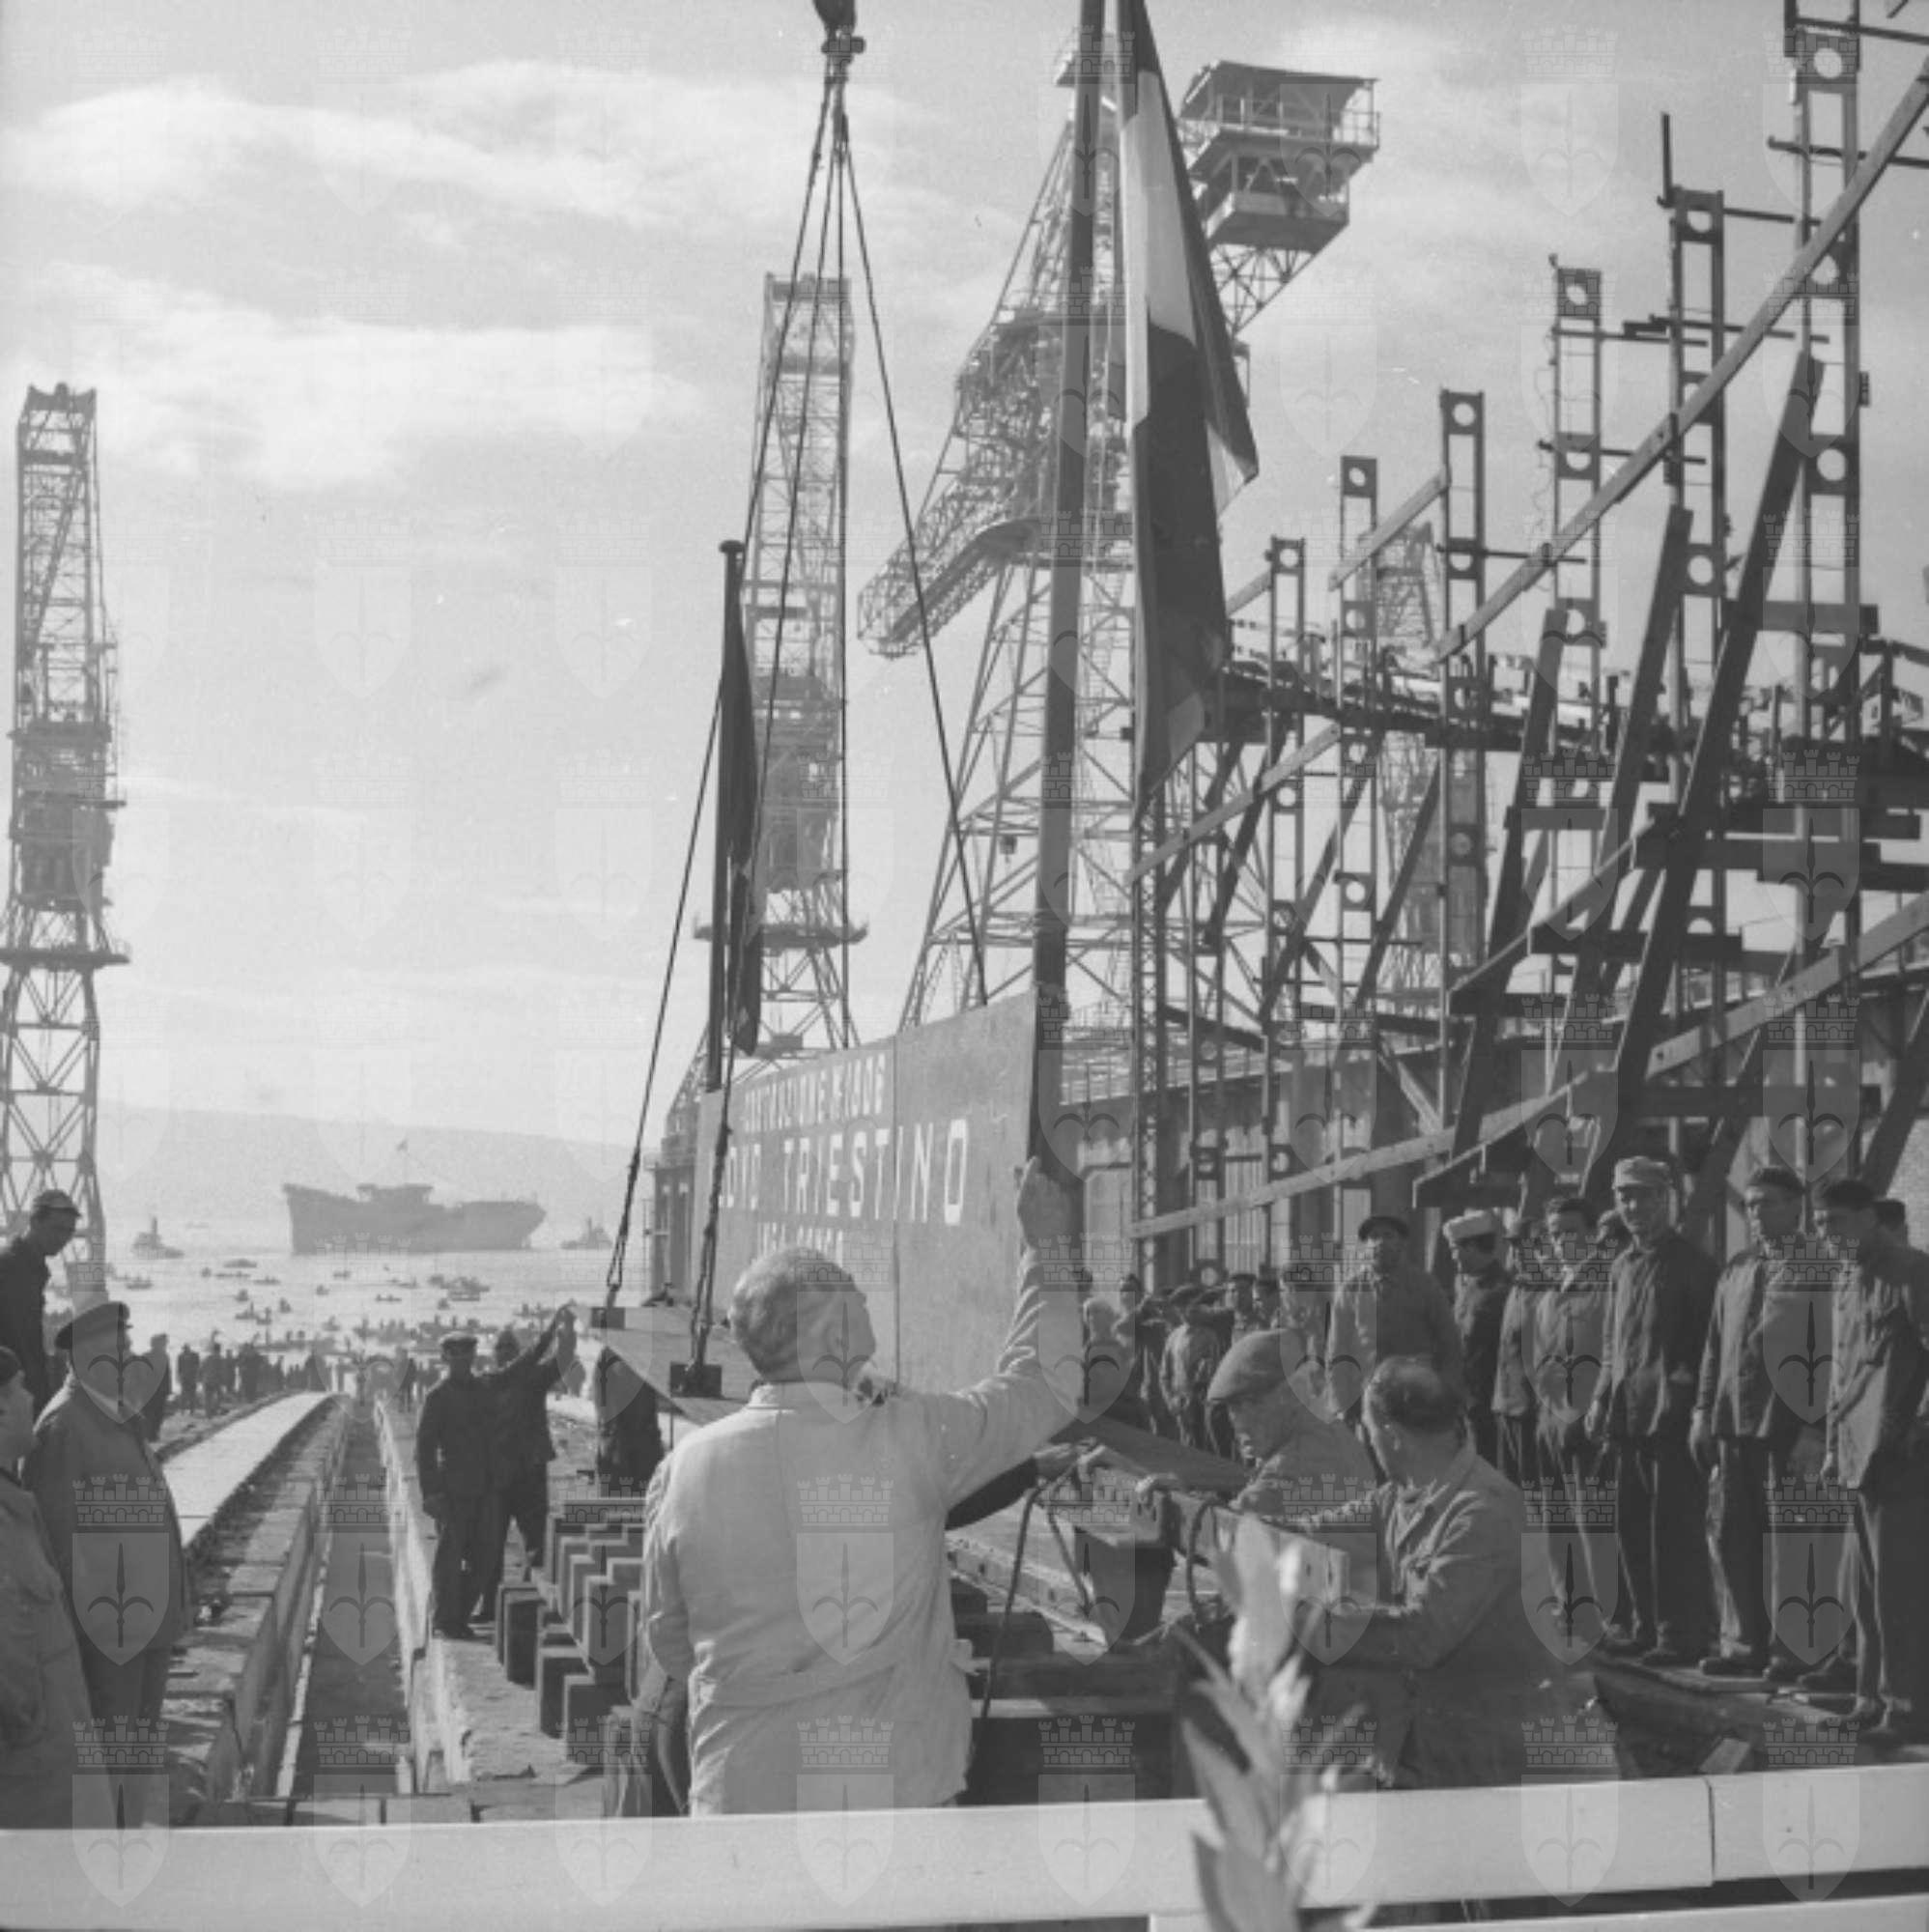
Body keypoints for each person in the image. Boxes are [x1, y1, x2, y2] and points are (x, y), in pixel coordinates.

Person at [638, 1157, 1083, 1815]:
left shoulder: (682, 1469)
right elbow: (1046, 1383)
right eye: (853, 1293)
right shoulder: (909, 1436)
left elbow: (669, 1640)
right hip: (891, 1789)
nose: (867, 1300)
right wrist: (1046, 1249)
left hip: (740, 1788)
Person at [1278, 1356, 1583, 1788]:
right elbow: (1312, 1532)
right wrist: (1224, 1523)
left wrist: (1304, 1622)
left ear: (1393, 1436)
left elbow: (1421, 1635)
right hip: (1432, 1738)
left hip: (1493, 1761)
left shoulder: (1483, 1512)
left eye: (1367, 1430)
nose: (1365, 1441)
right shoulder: (1405, 1494)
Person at [27, 1293, 190, 1726]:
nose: (129, 1360)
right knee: (112, 1750)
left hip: (147, 1620)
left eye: (127, 1348)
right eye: (118, 1351)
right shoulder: (65, 1427)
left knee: (140, 1751)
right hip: (109, 1634)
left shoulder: (115, 1415)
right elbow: (56, 1543)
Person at [1690, 1165, 1828, 1682]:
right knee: (1733, 1536)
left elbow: (1831, 1351)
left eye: (1767, 1202)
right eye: (1749, 1204)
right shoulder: (1737, 1269)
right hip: (1733, 1423)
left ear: (1796, 1207)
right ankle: (1743, 1644)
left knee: (1792, 1540)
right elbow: (1713, 1347)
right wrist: (1702, 1412)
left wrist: (1815, 1429)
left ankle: (1793, 1652)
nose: (1756, 1213)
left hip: (1787, 1425)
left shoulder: (1819, 1267)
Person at [1585, 1156, 1718, 1667]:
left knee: (1674, 1530)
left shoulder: (1693, 1264)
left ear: (1667, 1199)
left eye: (1644, 1195)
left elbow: (1709, 1343)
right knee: (1632, 1525)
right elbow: (1612, 1343)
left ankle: (1681, 1634)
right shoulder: (1622, 1267)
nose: (1634, 1206)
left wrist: (1696, 1405)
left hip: (1672, 1418)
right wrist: (1601, 1397)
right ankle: (1644, 1626)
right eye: (1625, 1196)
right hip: (1628, 1415)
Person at [1820, 1176, 1929, 1752]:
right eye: (1821, 1225)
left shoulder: (1912, 1271)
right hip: (1858, 1456)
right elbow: (1843, 1374)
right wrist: (1833, 1447)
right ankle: (1869, 1700)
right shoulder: (1847, 1279)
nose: (1828, 1234)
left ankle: (1907, 1706)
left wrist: (1920, 1427)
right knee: (1864, 1591)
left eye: (1837, 1222)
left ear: (1868, 1218)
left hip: (1902, 1460)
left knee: (1900, 1591)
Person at [0, 1344, 93, 1830]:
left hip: (51, 1764)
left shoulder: (13, 1502)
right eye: (20, 1389)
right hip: (30, 1779)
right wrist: (30, 1731)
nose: (32, 1397)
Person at [1527, 1195, 1613, 1613]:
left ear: (1593, 1235)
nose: (1563, 1242)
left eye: (1572, 1232)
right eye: (1556, 1234)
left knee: (1591, 1520)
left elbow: (1612, 1352)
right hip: (1551, 1419)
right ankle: (1570, 1603)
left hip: (1588, 1420)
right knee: (1555, 1516)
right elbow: (1539, 1357)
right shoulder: (1550, 1295)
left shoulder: (1606, 1286)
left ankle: (1604, 1610)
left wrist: (1594, 1405)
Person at [1323, 1214, 1462, 1436]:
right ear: (1365, 1246)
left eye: (1388, 1236)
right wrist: (1342, 1404)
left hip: (1417, 1395)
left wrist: (1447, 1390)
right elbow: (1338, 1351)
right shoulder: (1351, 1290)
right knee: (1371, 1453)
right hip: (1368, 1397)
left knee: (1416, 1452)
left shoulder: (1425, 1286)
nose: (1380, 1242)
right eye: (1374, 1237)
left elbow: (1449, 1343)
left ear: (1402, 1243)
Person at [480, 1311, 577, 1611]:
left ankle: (530, 1602)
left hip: (529, 1472)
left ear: (517, 1352)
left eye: (509, 1347)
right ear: (494, 1354)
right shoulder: (487, 1384)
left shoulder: (532, 1379)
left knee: (536, 1543)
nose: (505, 1352)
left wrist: (567, 1333)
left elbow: (562, 1360)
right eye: (501, 1348)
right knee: (490, 1544)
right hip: (498, 1477)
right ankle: (490, 1604)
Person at [415, 1333, 500, 1639]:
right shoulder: (438, 1397)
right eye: (456, 1357)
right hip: (453, 1489)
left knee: (484, 1558)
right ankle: (446, 1619)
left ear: (474, 1357)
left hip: (485, 1487)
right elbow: (425, 1448)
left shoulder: (483, 1391)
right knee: (449, 1558)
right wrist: (431, 1493)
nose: (463, 1361)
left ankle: (459, 1615)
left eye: (468, 1356)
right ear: (446, 1359)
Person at [0, 1189, 81, 1416]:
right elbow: (21, 1344)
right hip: (11, 1395)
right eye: (57, 1229)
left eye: (69, 1232)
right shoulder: (12, 1268)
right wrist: (36, 1398)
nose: (63, 1238)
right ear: (34, 1221)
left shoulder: (28, 1266)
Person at [1447, 1209, 1512, 1466]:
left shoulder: (1502, 1291)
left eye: (1455, 1249)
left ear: (1471, 1247)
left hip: (1490, 1404)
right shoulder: (1467, 1287)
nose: (1452, 1257)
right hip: (1467, 1402)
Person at [1161, 1287, 1225, 1454]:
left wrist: (1199, 1399)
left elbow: (1214, 1374)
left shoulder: (1209, 1336)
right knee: (1183, 1449)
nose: (1184, 1312)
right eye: (1180, 1308)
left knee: (1202, 1450)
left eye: (1190, 1307)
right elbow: (1165, 1374)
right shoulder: (1173, 1337)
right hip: (1179, 1405)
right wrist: (1170, 1400)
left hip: (1200, 1405)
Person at [1118, 1275, 1174, 1438]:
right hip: (1125, 1395)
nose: (1126, 1295)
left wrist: (1145, 1309)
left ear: (1141, 1293)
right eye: (1122, 1291)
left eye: (1130, 1290)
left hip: (1151, 1395)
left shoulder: (1153, 1320)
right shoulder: (1118, 1321)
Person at [137, 1333, 173, 1444]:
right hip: (151, 1390)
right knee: (151, 1413)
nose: (164, 1345)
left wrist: (168, 1389)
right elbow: (141, 1374)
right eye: (163, 1343)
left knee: (157, 1413)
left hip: (157, 1390)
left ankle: (152, 1434)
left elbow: (167, 1374)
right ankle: (150, 1434)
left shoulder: (163, 1356)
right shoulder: (147, 1357)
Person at [175, 1339, 201, 1418]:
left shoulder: (195, 1355)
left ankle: (192, 1410)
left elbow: (198, 1367)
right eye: (184, 1349)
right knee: (183, 1395)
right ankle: (182, 1410)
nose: (185, 1350)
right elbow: (179, 1368)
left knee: (192, 1395)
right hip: (184, 1378)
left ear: (189, 1348)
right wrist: (178, 1378)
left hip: (192, 1378)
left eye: (186, 1349)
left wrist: (198, 1377)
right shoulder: (180, 1356)